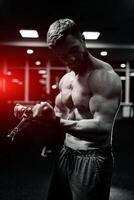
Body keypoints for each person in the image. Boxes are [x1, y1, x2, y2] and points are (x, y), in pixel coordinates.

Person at [14, 18, 122, 200]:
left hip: (93, 157)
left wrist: (55, 122)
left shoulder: (104, 78)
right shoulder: (66, 80)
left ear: (83, 40)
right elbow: (59, 116)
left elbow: (102, 129)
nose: (70, 59)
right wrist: (34, 114)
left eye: (74, 50)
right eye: (63, 56)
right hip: (66, 153)